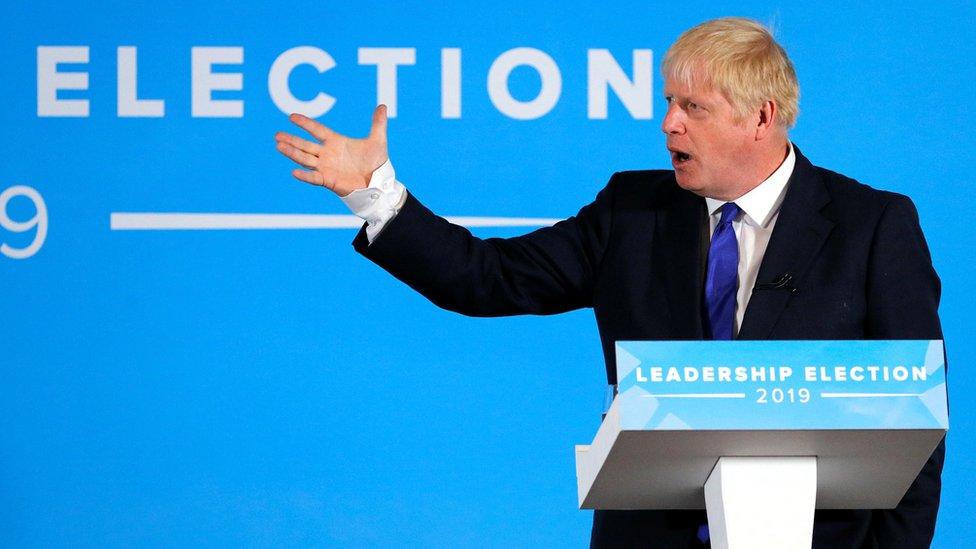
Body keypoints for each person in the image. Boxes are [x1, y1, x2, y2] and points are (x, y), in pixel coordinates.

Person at [274, 17, 943, 549]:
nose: (668, 123)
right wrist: (375, 193)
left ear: (761, 118)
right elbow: (485, 279)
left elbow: (917, 419)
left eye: (693, 108)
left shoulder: (872, 225)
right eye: (668, 103)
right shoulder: (631, 213)